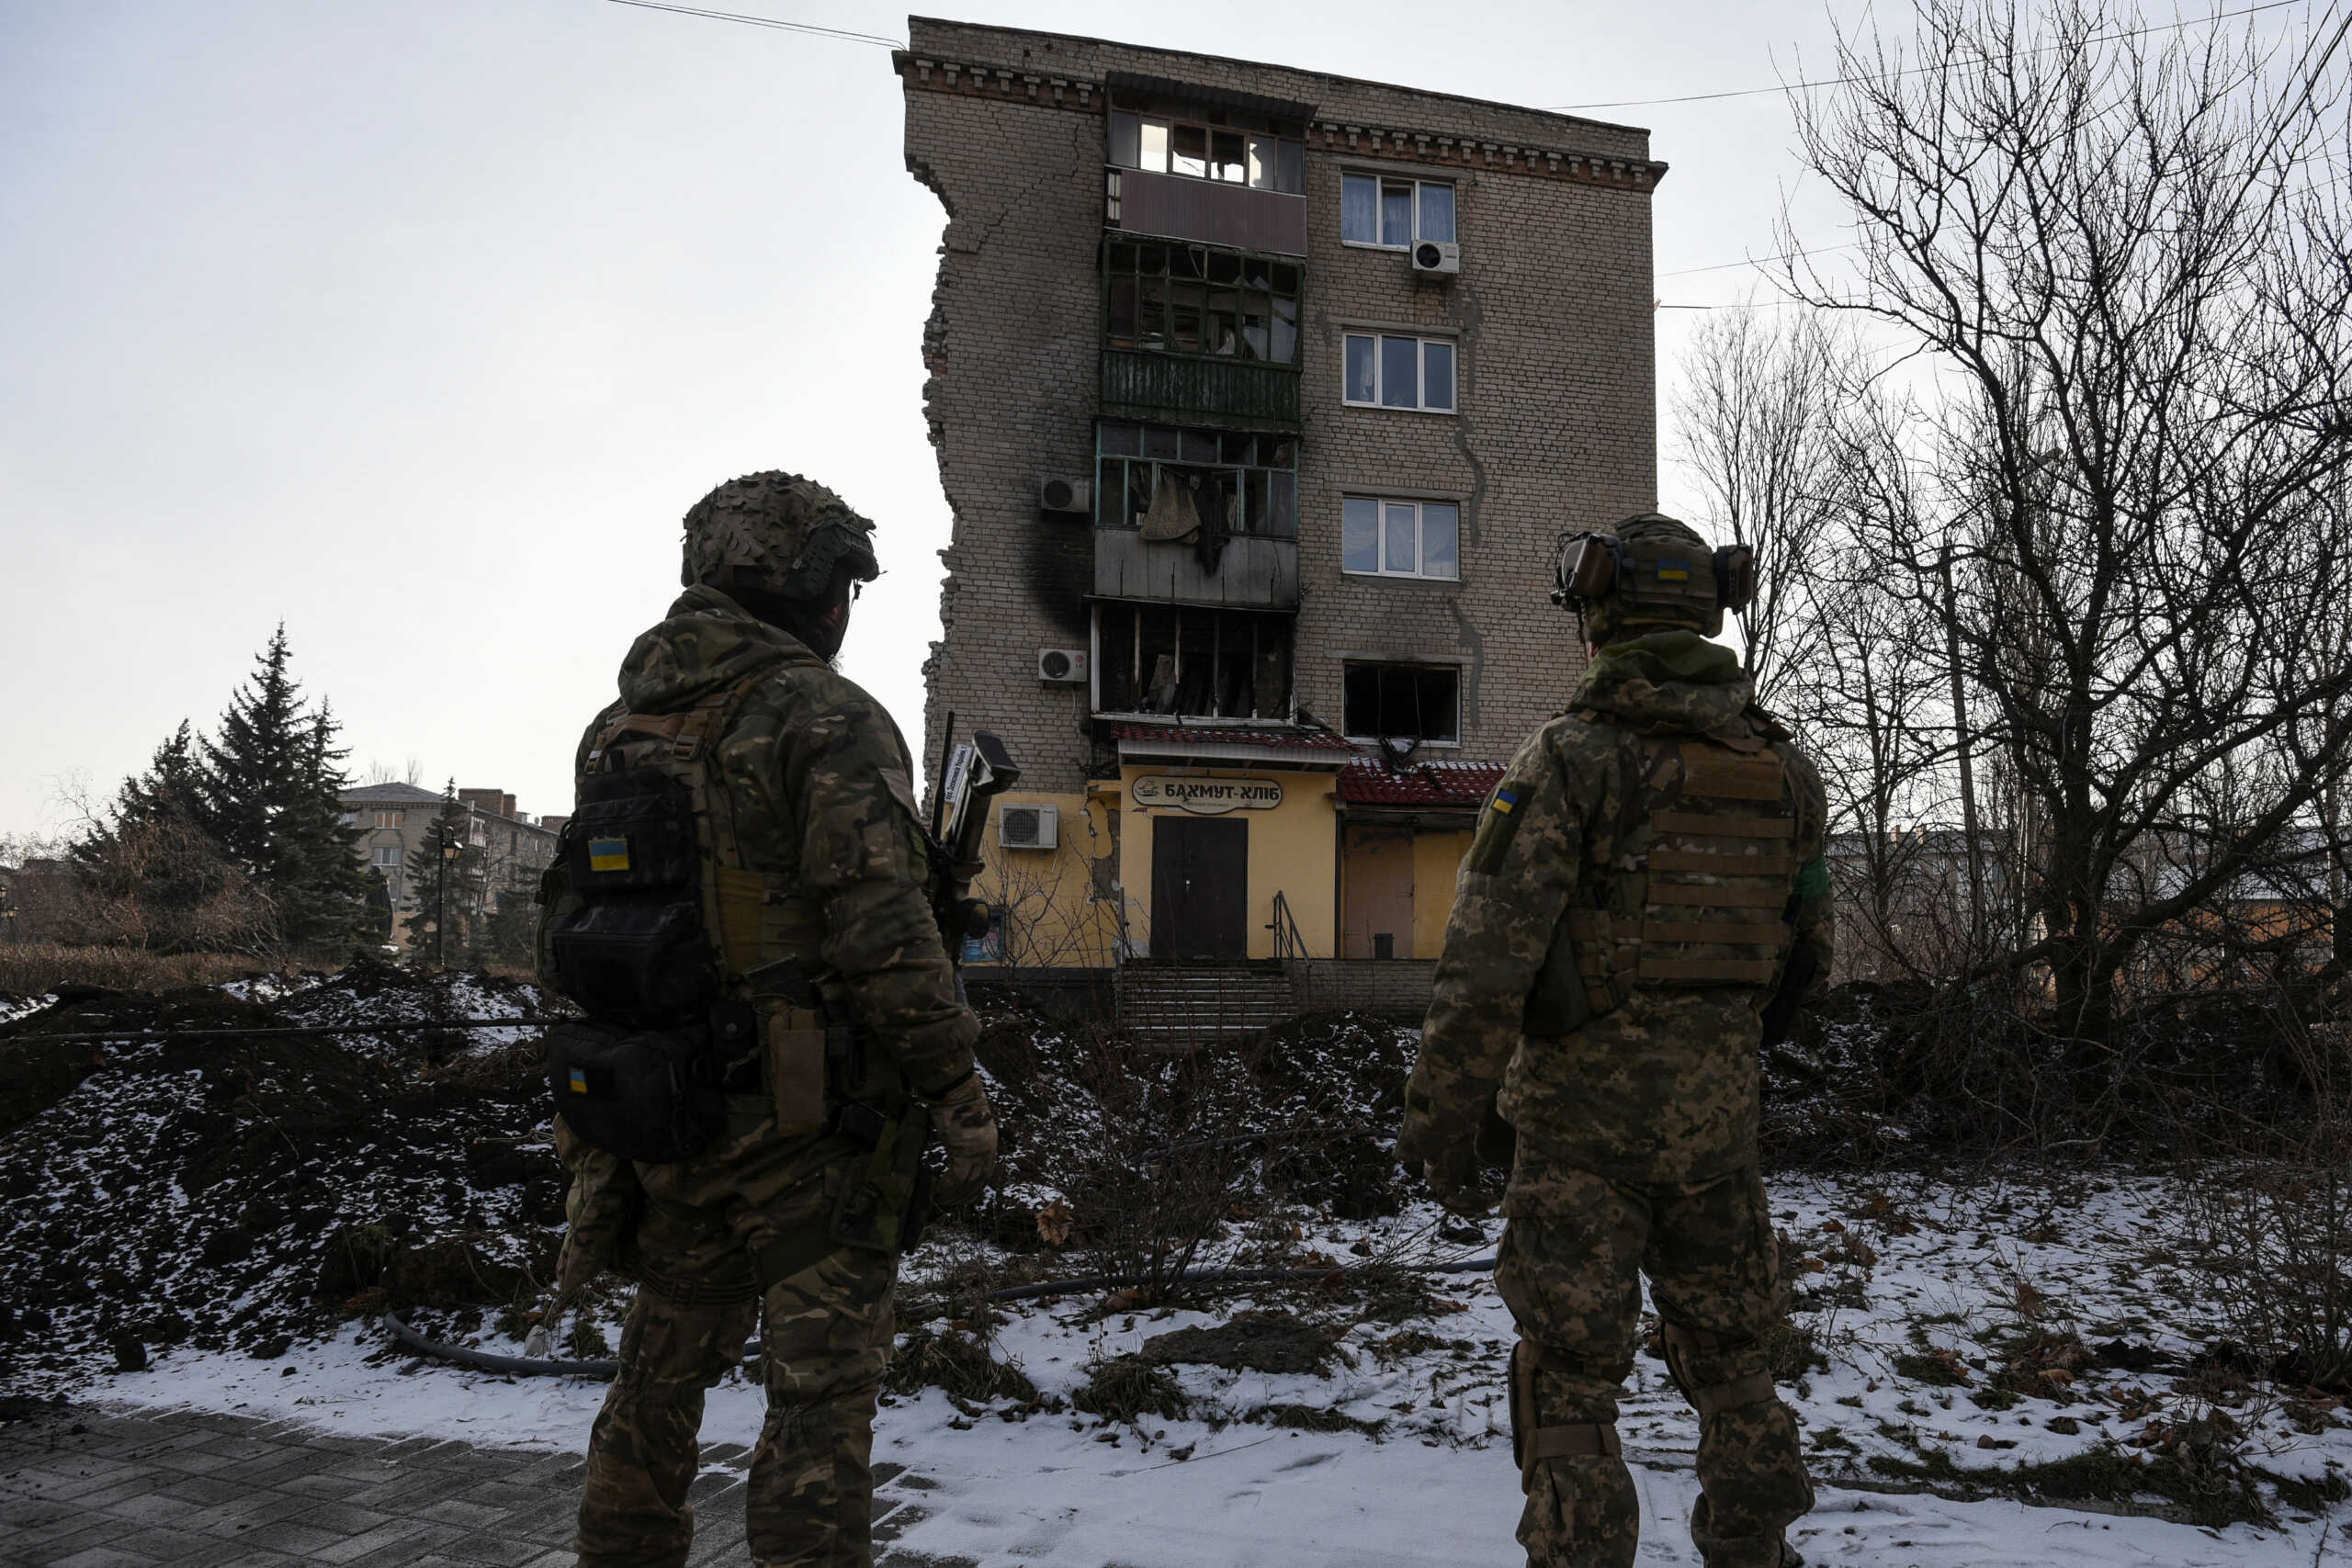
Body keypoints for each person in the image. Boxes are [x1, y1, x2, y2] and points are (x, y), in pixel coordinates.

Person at [546, 471, 999, 1568]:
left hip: (668, 1110)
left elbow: (578, 932)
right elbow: (884, 934)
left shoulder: (619, 728)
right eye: (842, 583)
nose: (845, 611)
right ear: (803, 586)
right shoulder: (822, 716)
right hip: (809, 1130)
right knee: (816, 1412)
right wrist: (957, 1094)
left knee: (653, 1379)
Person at [1398, 513, 1832, 1568]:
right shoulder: (1783, 770)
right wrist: (1713, 1057)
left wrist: (1439, 1123)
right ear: (1706, 615)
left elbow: (1484, 963)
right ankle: (1754, 1550)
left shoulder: (1569, 759)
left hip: (1578, 1137)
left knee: (1572, 1379)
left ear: (1599, 616)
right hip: (1717, 1136)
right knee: (1737, 1362)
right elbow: (1805, 961)